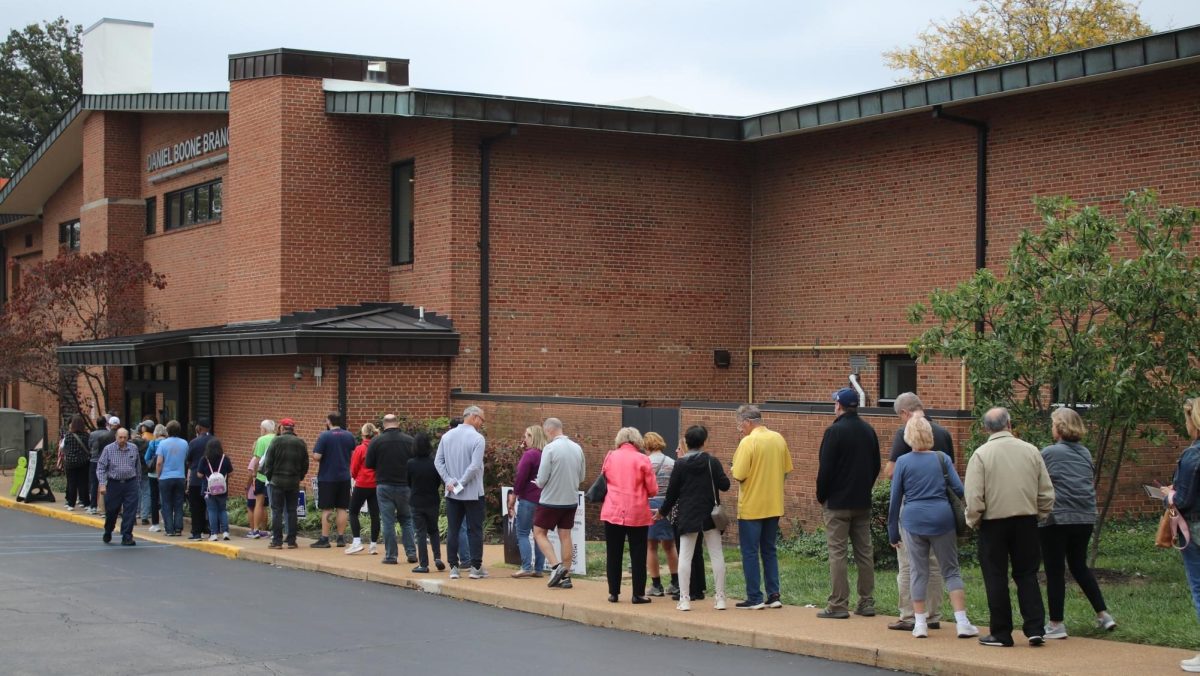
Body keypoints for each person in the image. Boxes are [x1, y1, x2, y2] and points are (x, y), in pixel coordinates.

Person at [965, 407, 1055, 647]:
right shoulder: (1031, 451)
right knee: (1027, 574)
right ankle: (1035, 628)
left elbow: (974, 496)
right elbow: (1046, 491)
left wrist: (973, 520)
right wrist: (1039, 514)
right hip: (1026, 520)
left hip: (993, 523)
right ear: (1010, 424)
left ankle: (1001, 632)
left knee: (995, 576)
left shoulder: (981, 454)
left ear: (986, 428)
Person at [887, 415, 979, 639]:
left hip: (912, 520)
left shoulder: (903, 463)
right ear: (930, 435)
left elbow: (895, 497)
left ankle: (919, 624)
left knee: (918, 571)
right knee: (950, 570)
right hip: (942, 518)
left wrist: (892, 530)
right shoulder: (942, 458)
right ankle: (962, 622)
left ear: (908, 437)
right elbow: (958, 489)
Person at [1039, 407, 1116, 639]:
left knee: (1054, 571)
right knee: (1079, 566)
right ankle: (1103, 615)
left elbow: (1038, 481)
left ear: (1059, 427)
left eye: (1053, 424)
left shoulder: (1049, 453)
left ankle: (1056, 624)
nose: (1052, 428)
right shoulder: (1084, 452)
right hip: (1084, 517)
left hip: (1057, 518)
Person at [886, 392, 955, 632]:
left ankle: (910, 615)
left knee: (909, 565)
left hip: (913, 507)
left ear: (904, 413)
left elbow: (891, 471)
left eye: (899, 416)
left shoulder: (904, 433)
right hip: (940, 507)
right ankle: (934, 614)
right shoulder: (944, 433)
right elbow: (951, 473)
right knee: (935, 565)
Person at [816, 388, 881, 619]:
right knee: (864, 553)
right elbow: (876, 466)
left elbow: (826, 470)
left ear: (839, 406)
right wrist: (865, 488)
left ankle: (838, 604)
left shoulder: (834, 431)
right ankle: (866, 601)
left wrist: (821, 496)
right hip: (862, 500)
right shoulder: (868, 430)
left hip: (837, 503)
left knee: (838, 553)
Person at [655, 425, 729, 611]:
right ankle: (720, 599)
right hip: (710, 515)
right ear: (704, 442)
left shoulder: (680, 464)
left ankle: (685, 599)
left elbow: (671, 494)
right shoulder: (712, 462)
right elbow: (725, 485)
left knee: (685, 558)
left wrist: (662, 512)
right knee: (716, 555)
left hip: (687, 515)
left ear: (686, 443)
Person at [732, 404, 793, 610]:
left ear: (748, 422)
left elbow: (739, 474)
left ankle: (754, 596)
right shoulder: (778, 438)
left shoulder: (748, 442)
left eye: (740, 425)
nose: (740, 429)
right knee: (769, 550)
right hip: (774, 504)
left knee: (750, 552)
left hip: (751, 506)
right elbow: (786, 470)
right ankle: (774, 594)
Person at [600, 427, 656, 604]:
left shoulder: (610, 456)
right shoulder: (643, 459)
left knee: (613, 552)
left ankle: (613, 593)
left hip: (613, 509)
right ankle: (638, 594)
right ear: (637, 441)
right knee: (638, 554)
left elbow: (604, 478)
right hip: (637, 511)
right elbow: (653, 490)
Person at [435, 405, 489, 579]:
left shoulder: (447, 436)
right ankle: (475, 567)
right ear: (473, 417)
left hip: (452, 493)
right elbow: (474, 466)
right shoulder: (478, 438)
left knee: (453, 529)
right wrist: (460, 483)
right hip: (473, 492)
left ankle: (453, 567)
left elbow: (438, 462)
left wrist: (449, 481)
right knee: (475, 530)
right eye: (481, 419)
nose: (482, 423)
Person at [534, 417, 585, 589]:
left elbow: (541, 479)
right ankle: (567, 576)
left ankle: (556, 567)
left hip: (550, 499)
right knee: (566, 536)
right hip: (570, 499)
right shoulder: (577, 448)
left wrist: (539, 483)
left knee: (539, 533)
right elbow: (582, 476)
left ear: (549, 430)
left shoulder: (550, 448)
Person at [1170, 398, 1200, 673]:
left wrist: (1169, 495)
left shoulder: (1192, 455)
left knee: (1199, 587)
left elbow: (1184, 498)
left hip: (1195, 529)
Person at [366, 414, 415, 565]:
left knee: (388, 521)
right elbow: (415, 461)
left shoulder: (376, 441)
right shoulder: (409, 440)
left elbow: (369, 464)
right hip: (405, 485)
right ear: (397, 423)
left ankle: (391, 556)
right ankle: (411, 553)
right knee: (407, 519)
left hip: (384, 485)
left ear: (383, 425)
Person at [261, 418, 309, 549]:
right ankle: (292, 541)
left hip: (276, 481)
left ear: (282, 428)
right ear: (293, 429)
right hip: (293, 481)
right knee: (292, 511)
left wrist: (270, 477)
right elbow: (305, 464)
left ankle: (277, 541)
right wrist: (299, 477)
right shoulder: (300, 443)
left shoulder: (276, 441)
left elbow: (268, 463)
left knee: (277, 511)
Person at [312, 412, 356, 548]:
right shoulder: (349, 435)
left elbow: (317, 456)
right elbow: (353, 454)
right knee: (342, 508)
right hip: (344, 476)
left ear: (328, 421)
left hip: (327, 477)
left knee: (327, 508)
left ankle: (325, 538)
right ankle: (341, 538)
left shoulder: (324, 436)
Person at [644, 431, 679, 598]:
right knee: (670, 545)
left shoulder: (645, 463)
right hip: (668, 507)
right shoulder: (672, 463)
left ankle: (656, 585)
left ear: (647, 446)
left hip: (650, 505)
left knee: (651, 546)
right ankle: (675, 582)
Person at [508, 424, 547, 577]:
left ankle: (526, 566)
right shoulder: (546, 454)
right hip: (543, 499)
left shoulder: (529, 455)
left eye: (526, 436)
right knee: (540, 534)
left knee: (523, 532)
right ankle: (538, 569)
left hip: (528, 498)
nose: (524, 439)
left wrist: (514, 495)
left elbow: (521, 477)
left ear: (532, 437)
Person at [97, 428, 141, 546]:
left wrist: (137, 483)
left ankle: (127, 536)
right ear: (116, 437)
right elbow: (101, 467)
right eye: (120, 437)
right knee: (111, 511)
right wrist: (102, 484)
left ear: (128, 438)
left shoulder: (133, 448)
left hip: (130, 483)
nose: (122, 440)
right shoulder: (108, 449)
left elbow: (138, 467)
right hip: (114, 484)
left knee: (130, 511)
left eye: (125, 437)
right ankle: (108, 529)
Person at [407, 432, 444, 572]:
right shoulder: (434, 463)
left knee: (420, 532)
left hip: (417, 501)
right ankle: (438, 557)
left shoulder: (410, 463)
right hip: (432, 500)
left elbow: (408, 482)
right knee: (433, 530)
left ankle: (424, 564)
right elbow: (437, 482)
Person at [347, 422, 381, 555]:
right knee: (375, 514)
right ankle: (373, 544)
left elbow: (354, 468)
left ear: (363, 435)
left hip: (362, 483)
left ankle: (357, 541)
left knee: (353, 511)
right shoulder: (378, 447)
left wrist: (356, 477)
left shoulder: (360, 449)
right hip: (376, 484)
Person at [155, 420, 189, 536]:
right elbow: (186, 459)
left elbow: (159, 462)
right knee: (178, 503)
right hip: (180, 476)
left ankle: (169, 529)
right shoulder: (184, 443)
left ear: (167, 431)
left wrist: (159, 475)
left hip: (166, 477)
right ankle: (178, 528)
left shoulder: (163, 444)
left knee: (166, 504)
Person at [196, 437, 234, 541]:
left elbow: (199, 474)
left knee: (212, 510)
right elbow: (231, 473)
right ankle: (226, 532)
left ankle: (214, 533)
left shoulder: (204, 459)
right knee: (222, 510)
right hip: (222, 489)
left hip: (209, 490)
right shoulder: (225, 458)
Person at [244, 420, 276, 539]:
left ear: (264, 429)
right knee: (273, 504)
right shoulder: (277, 438)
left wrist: (254, 475)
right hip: (274, 475)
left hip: (262, 476)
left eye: (260, 428)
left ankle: (256, 529)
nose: (260, 430)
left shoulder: (261, 440)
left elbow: (256, 460)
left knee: (259, 503)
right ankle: (271, 530)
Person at [186, 418, 213, 540]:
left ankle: (196, 532)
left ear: (199, 428)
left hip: (196, 479)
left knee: (196, 507)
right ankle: (210, 529)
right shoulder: (215, 441)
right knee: (210, 506)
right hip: (212, 479)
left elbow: (189, 459)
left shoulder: (194, 442)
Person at [87, 415, 119, 515]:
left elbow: (90, 445)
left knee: (95, 483)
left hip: (95, 460)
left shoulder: (93, 435)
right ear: (106, 424)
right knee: (107, 483)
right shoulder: (113, 435)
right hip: (111, 462)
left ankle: (93, 506)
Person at [60, 415, 91, 511]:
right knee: (83, 483)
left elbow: (62, 448)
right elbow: (89, 447)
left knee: (71, 483)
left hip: (70, 462)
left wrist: (68, 453)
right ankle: (85, 502)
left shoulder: (68, 435)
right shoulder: (87, 436)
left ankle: (71, 504)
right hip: (83, 462)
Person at [143, 424, 167, 532]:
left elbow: (146, 458)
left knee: (154, 498)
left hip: (153, 474)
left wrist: (151, 464)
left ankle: (155, 524)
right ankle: (167, 521)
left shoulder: (152, 443)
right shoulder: (168, 443)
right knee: (166, 498)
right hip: (166, 474)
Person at [132, 421, 153, 525]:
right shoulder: (150, 442)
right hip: (146, 470)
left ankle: (135, 513)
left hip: (134, 470)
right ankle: (145, 516)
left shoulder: (132, 443)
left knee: (134, 492)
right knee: (146, 492)